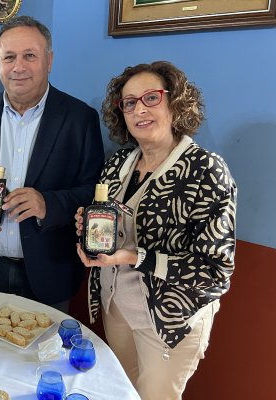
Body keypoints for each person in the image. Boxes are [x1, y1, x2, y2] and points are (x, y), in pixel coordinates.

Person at [75, 61, 237, 399]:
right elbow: (112, 228)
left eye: (151, 98)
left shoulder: (205, 170)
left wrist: (134, 256)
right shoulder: (118, 164)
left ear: (175, 102)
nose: (139, 110)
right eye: (129, 102)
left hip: (168, 318)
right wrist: (88, 231)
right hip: (115, 306)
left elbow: (216, 271)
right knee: (119, 392)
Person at [0, 16, 104, 311]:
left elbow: (94, 190)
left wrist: (48, 204)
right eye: (9, 57)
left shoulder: (80, 119)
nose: (18, 67)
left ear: (49, 60)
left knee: (45, 357)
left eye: (29, 56)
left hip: (49, 272)